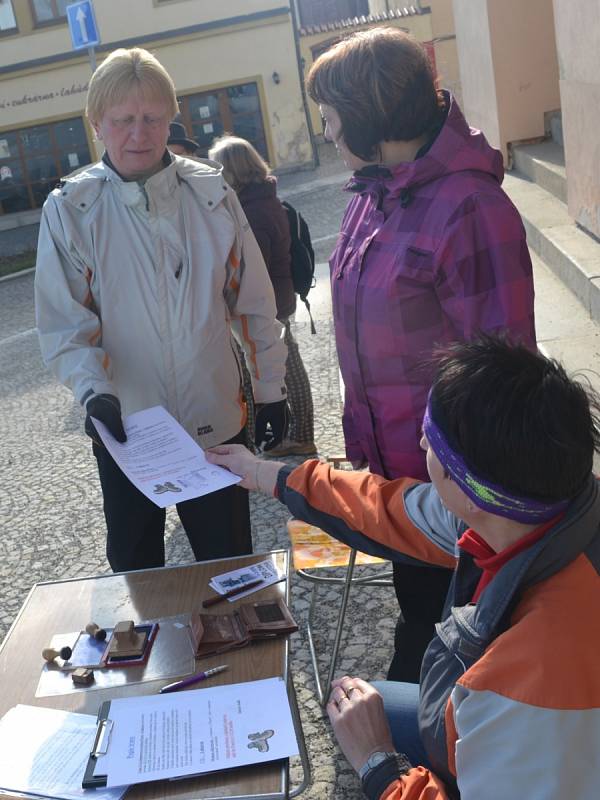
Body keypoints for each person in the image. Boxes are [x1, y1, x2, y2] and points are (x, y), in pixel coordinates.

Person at [206, 335, 600, 800]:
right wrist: (267, 474)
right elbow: (386, 508)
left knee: (365, 718)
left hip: (543, 740)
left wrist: (378, 764)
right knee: (377, 700)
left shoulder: (528, 676)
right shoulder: (535, 508)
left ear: (464, 482)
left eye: (430, 438)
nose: (419, 441)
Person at [305, 26, 537, 682]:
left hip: (454, 495)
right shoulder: (372, 194)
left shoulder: (469, 209)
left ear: (367, 114)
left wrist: (476, 503)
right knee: (420, 616)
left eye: (329, 117)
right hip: (396, 482)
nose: (326, 132)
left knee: (456, 652)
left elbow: (504, 376)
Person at [34, 47, 288, 573]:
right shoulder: (71, 210)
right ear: (97, 123)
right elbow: (66, 325)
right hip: (128, 431)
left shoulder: (212, 194)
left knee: (231, 571)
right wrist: (94, 392)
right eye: (123, 120)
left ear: (171, 117)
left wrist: (269, 392)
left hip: (214, 423)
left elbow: (254, 303)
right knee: (138, 574)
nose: (139, 134)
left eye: (152, 119)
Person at [209, 134, 316, 457]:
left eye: (218, 170)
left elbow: (255, 270)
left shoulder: (251, 211)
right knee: (281, 363)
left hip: (267, 304)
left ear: (232, 172)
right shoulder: (262, 200)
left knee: (286, 366)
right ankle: (286, 433)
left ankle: (299, 435)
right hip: (276, 298)